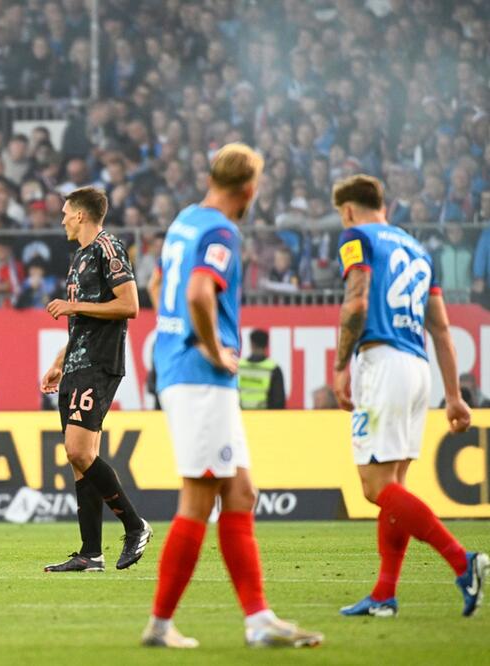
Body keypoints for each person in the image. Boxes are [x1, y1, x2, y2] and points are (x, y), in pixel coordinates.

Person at [146, 144, 322, 648]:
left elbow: (161, 283)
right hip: (200, 376)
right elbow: (201, 292)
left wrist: (173, 332)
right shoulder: (222, 230)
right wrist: (208, 343)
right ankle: (160, 624)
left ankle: (258, 620)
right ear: (249, 188)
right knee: (199, 498)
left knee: (240, 493)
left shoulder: (185, 220)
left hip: (184, 371)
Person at [330, 174, 488, 618]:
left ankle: (463, 561)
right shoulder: (418, 250)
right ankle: (384, 594)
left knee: (374, 487)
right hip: (419, 369)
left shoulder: (356, 237)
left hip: (382, 363)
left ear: (348, 210)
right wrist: (454, 395)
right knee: (394, 486)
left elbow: (356, 302)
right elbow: (441, 328)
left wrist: (342, 365)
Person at [40, 186, 152, 573]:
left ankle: (136, 526)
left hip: (101, 362)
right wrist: (59, 360)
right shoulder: (80, 257)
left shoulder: (109, 248)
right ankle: (91, 553)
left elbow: (130, 305)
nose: (63, 219)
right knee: (79, 461)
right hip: (76, 363)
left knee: (78, 451)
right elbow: (82, 322)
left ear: (82, 215)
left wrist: (72, 304)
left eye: (65, 212)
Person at [237, 329, 286, 409]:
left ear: (251, 344)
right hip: (264, 418)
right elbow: (278, 401)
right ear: (267, 345)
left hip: (241, 416)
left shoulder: (239, 366)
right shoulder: (273, 368)